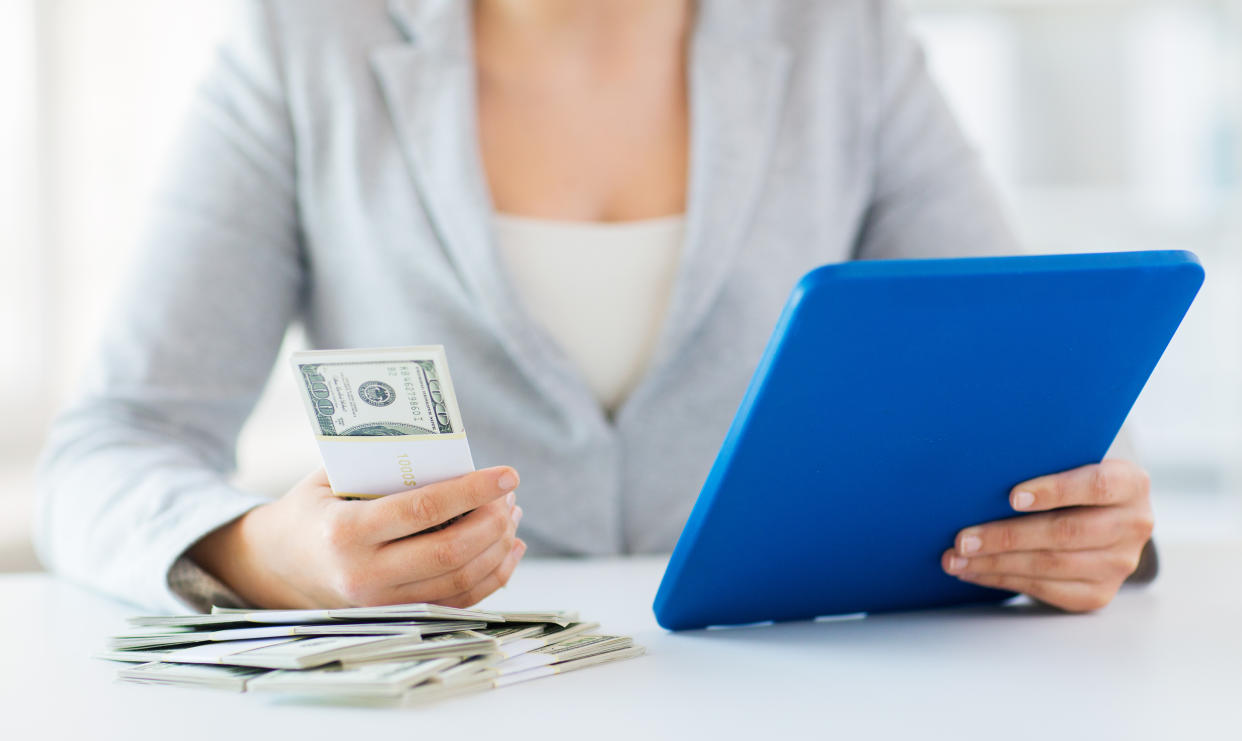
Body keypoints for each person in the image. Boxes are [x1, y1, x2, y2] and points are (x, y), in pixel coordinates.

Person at [34, 0, 1156, 614]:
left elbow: (1023, 388)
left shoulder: (843, 37)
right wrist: (269, 556)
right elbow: (106, 451)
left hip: (796, 711)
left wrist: (1087, 523)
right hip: (445, 722)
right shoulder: (302, 43)